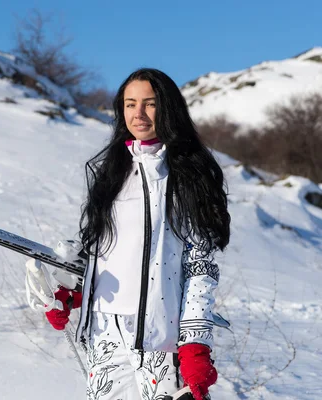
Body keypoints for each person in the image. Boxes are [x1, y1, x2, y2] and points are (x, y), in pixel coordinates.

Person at [27, 68, 230, 400]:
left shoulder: (187, 176)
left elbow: (200, 268)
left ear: (168, 108)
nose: (138, 114)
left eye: (150, 104)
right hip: (104, 329)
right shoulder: (112, 172)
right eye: (130, 104)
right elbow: (98, 248)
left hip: (160, 336)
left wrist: (194, 343)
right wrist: (70, 292)